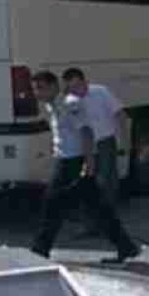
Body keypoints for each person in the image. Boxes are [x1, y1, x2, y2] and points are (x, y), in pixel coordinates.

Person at [29, 71, 140, 264]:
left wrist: (89, 162)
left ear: (54, 86)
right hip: (65, 158)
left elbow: (86, 131)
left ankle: (41, 249)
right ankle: (126, 246)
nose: (37, 93)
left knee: (52, 202)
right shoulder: (51, 105)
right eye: (35, 89)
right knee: (96, 206)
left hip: (74, 161)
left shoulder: (70, 104)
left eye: (41, 88)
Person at [62, 68, 125, 231]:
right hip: (84, 147)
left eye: (77, 85)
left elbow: (119, 113)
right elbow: (79, 129)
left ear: (84, 81)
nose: (75, 90)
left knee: (106, 182)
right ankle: (90, 224)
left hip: (105, 142)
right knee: (86, 183)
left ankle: (107, 221)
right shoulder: (70, 102)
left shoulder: (100, 92)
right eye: (71, 87)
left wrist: (122, 139)